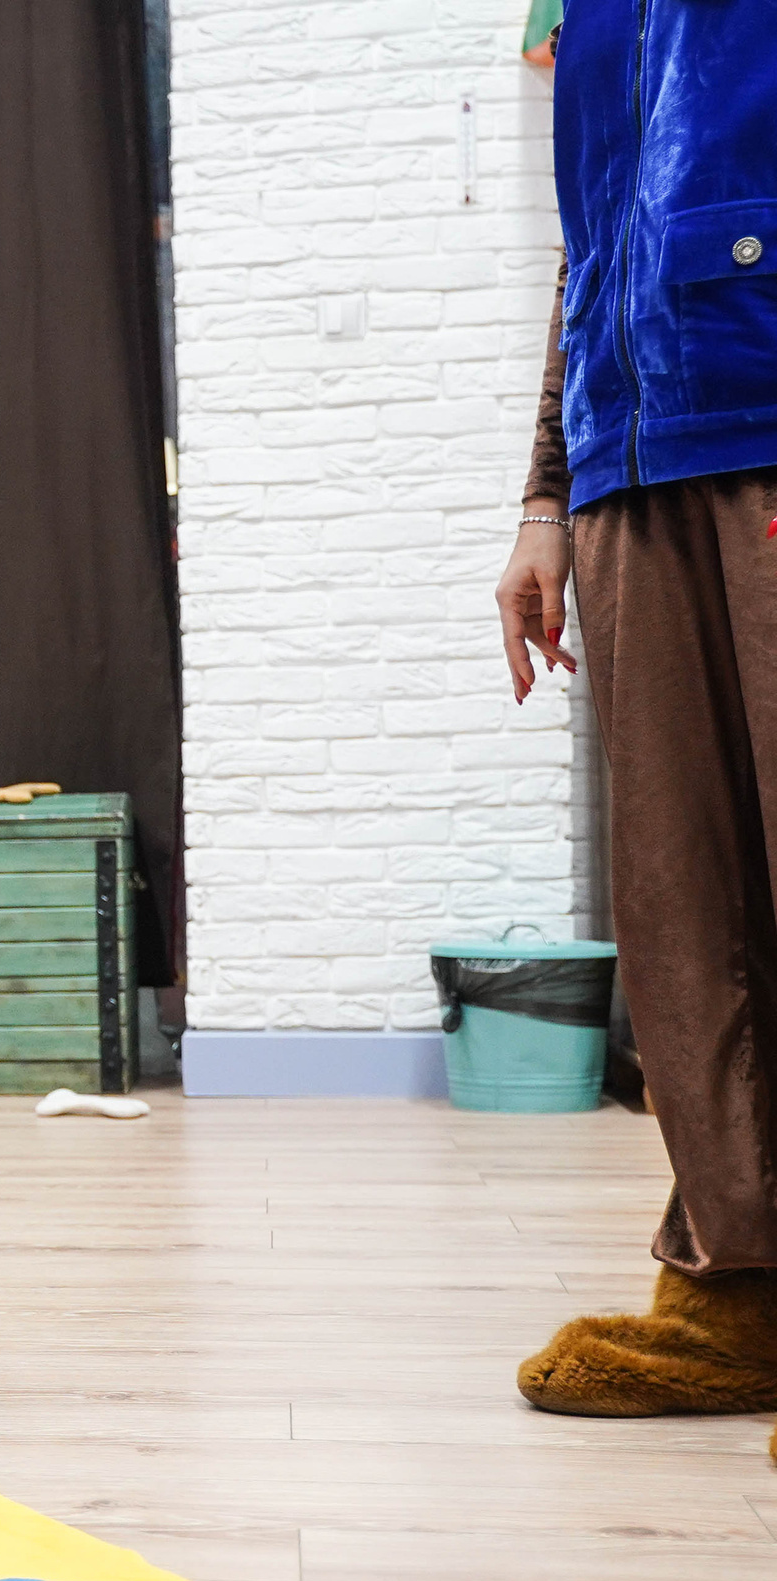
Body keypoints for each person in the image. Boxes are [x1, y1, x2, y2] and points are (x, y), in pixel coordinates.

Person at [496, 9, 777, 1436]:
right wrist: (546, 497)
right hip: (628, 469)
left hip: (763, 418)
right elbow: (585, 241)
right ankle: (737, 1289)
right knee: (682, 910)